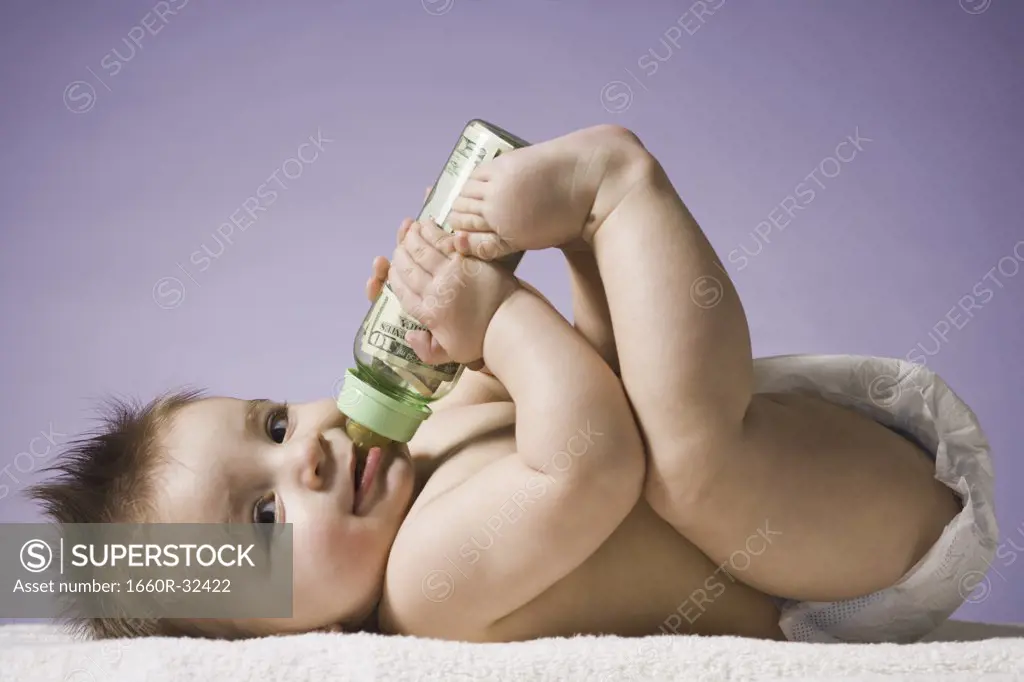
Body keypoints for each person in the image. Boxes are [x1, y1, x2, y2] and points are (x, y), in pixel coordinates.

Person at [27, 124, 995, 643]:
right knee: (680, 464)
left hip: (826, 504)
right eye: (265, 523)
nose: (307, 458)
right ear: (257, 641)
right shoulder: (426, 586)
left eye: (274, 425)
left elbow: (583, 383)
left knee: (669, 432)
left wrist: (458, 342)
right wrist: (492, 317)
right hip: (839, 568)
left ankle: (592, 230)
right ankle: (615, 187)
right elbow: (592, 460)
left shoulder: (431, 439)